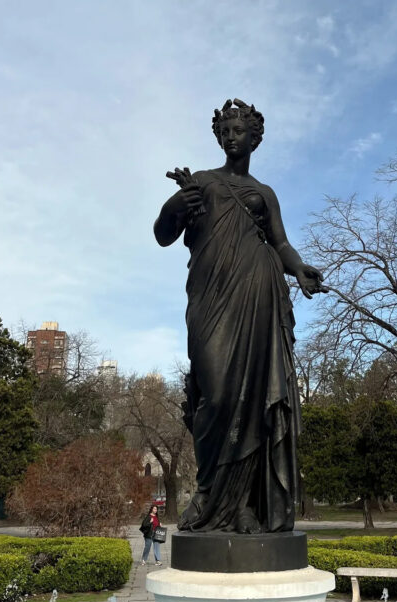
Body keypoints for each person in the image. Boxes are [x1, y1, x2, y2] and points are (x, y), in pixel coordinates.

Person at [154, 99, 325, 534]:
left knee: (252, 401)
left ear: (254, 138)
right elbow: (163, 235)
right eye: (225, 131)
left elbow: (281, 244)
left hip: (257, 296)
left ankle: (244, 505)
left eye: (239, 131)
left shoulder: (264, 194)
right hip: (211, 300)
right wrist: (175, 206)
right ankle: (210, 491)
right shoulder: (203, 184)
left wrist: (299, 267)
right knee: (215, 395)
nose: (231, 137)